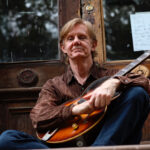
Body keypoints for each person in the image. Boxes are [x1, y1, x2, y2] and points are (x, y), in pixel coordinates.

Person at [0, 18, 150, 149]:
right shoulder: (54, 85)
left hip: (106, 141)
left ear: (93, 44)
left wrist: (114, 83)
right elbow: (39, 117)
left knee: (137, 93)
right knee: (7, 139)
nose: (76, 41)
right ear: (63, 48)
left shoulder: (110, 75)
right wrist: (75, 109)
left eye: (82, 37)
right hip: (62, 145)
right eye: (70, 38)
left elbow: (144, 82)